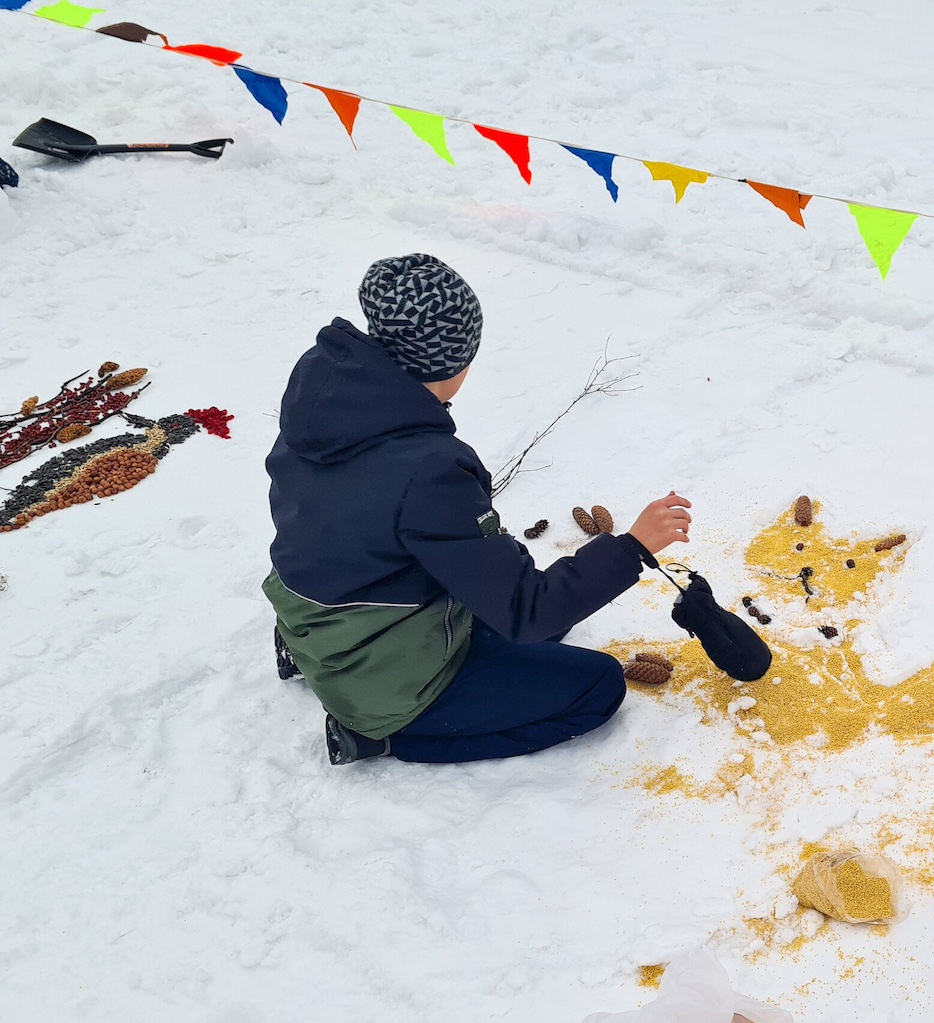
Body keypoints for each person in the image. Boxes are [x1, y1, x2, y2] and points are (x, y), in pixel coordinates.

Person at [263, 253, 692, 765]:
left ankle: (313, 657)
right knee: (596, 688)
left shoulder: (333, 406)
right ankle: (383, 736)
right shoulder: (427, 468)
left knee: (550, 624)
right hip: (383, 673)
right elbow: (527, 611)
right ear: (456, 359)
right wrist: (632, 548)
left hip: (328, 616)